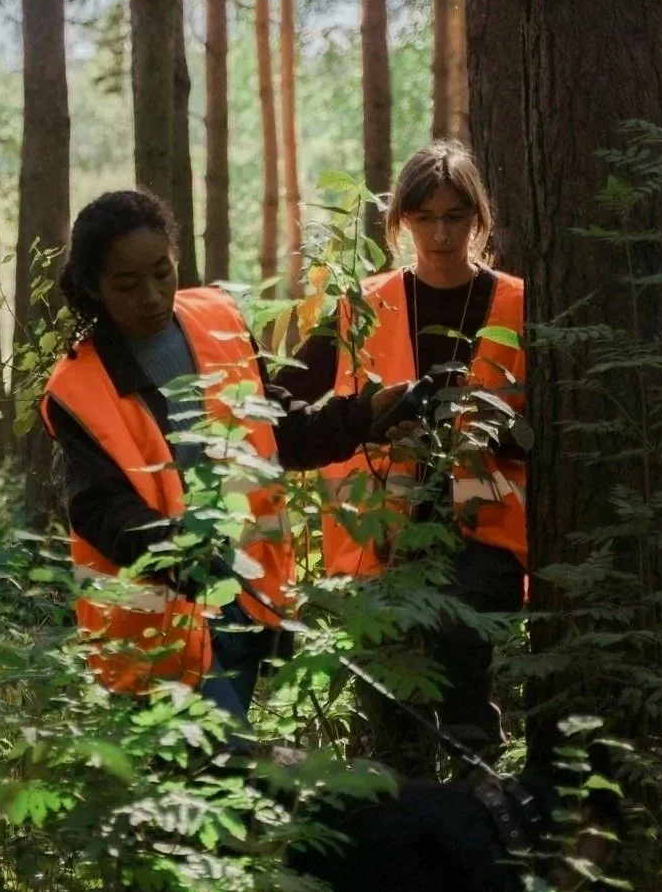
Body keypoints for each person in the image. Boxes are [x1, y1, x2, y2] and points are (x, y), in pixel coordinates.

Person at [42, 190, 405, 722]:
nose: (151, 296)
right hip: (159, 624)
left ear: (176, 257)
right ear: (96, 288)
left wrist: (364, 416)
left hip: (246, 600)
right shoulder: (78, 386)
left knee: (224, 767)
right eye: (127, 284)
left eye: (161, 273)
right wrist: (176, 549)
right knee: (224, 761)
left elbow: (278, 434)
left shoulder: (218, 318)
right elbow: (99, 508)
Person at [277, 140, 527, 770]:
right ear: (401, 222)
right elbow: (281, 399)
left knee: (464, 688)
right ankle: (403, 815)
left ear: (478, 218)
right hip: (378, 537)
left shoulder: (519, 304)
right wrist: (361, 416)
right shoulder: (363, 304)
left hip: (484, 534)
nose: (440, 235)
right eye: (425, 218)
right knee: (393, 724)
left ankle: (479, 806)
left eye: (455, 217)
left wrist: (489, 430)